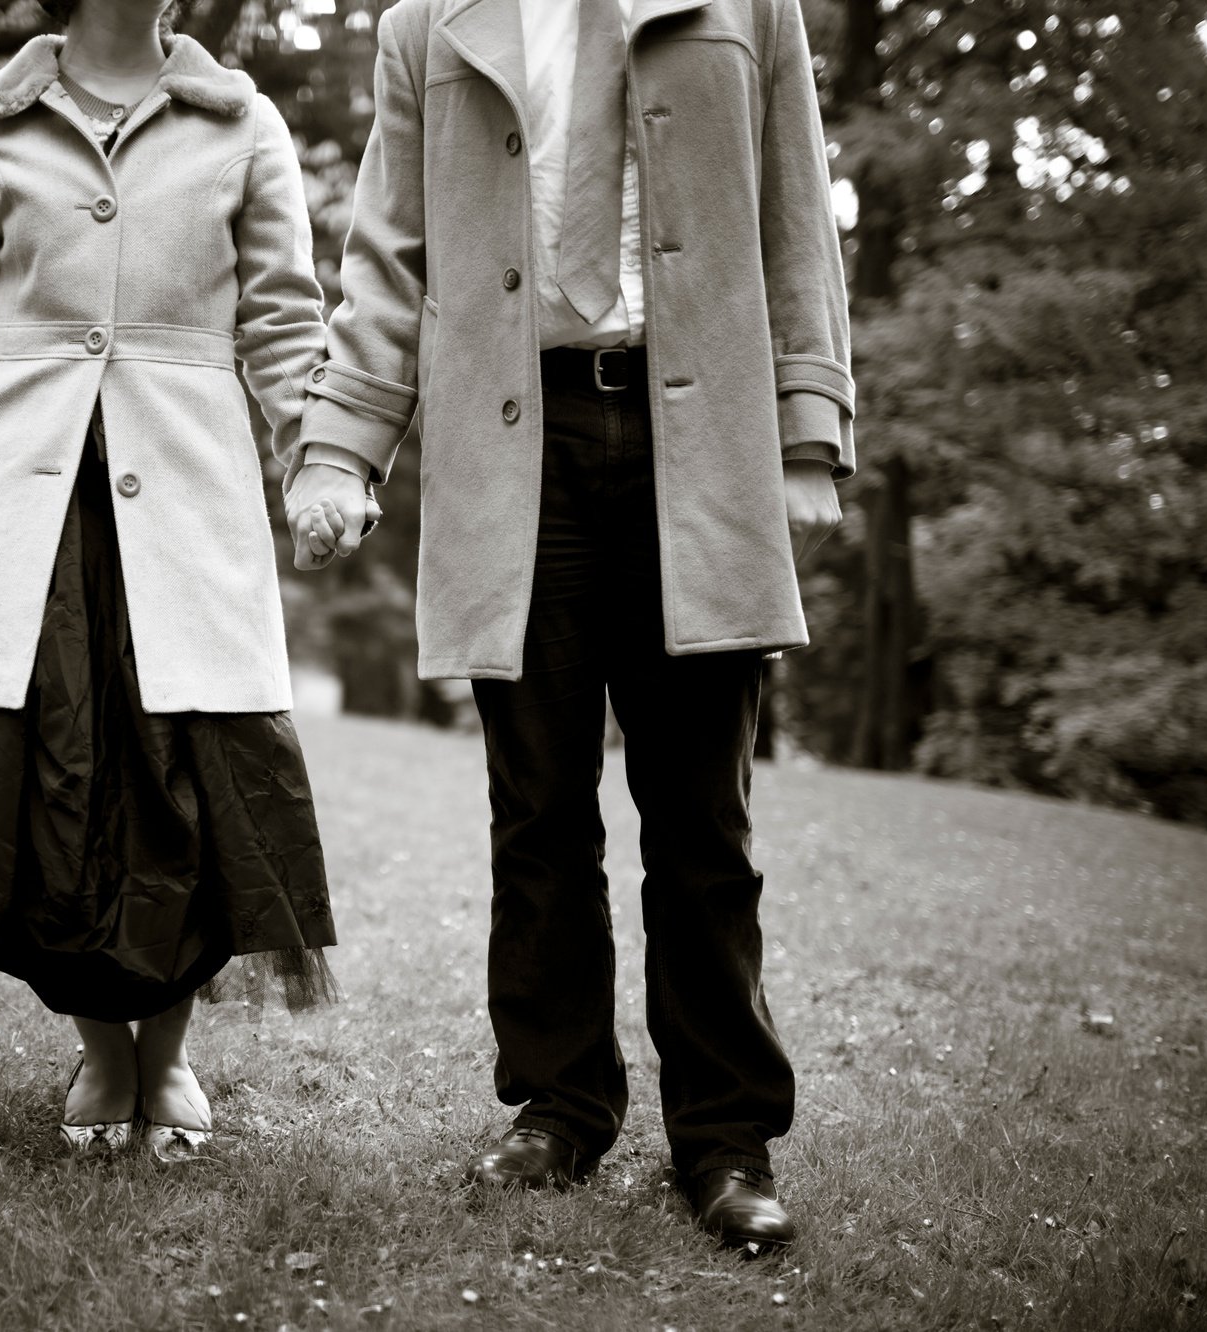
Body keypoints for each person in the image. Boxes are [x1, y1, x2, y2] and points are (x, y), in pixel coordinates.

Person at [289, 0, 854, 1246]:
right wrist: (341, 446)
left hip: (694, 445)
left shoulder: (748, 5)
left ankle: (725, 1139)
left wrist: (807, 427)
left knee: (700, 817)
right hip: (514, 445)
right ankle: (560, 1105)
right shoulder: (423, 25)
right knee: (535, 811)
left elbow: (794, 208)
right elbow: (388, 251)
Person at [0, 0, 350, 1164]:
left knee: (182, 782)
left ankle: (163, 1053)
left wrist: (313, 464)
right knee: (44, 790)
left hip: (186, 501)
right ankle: (102, 1047)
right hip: (21, 507)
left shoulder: (243, 122)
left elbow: (281, 321)